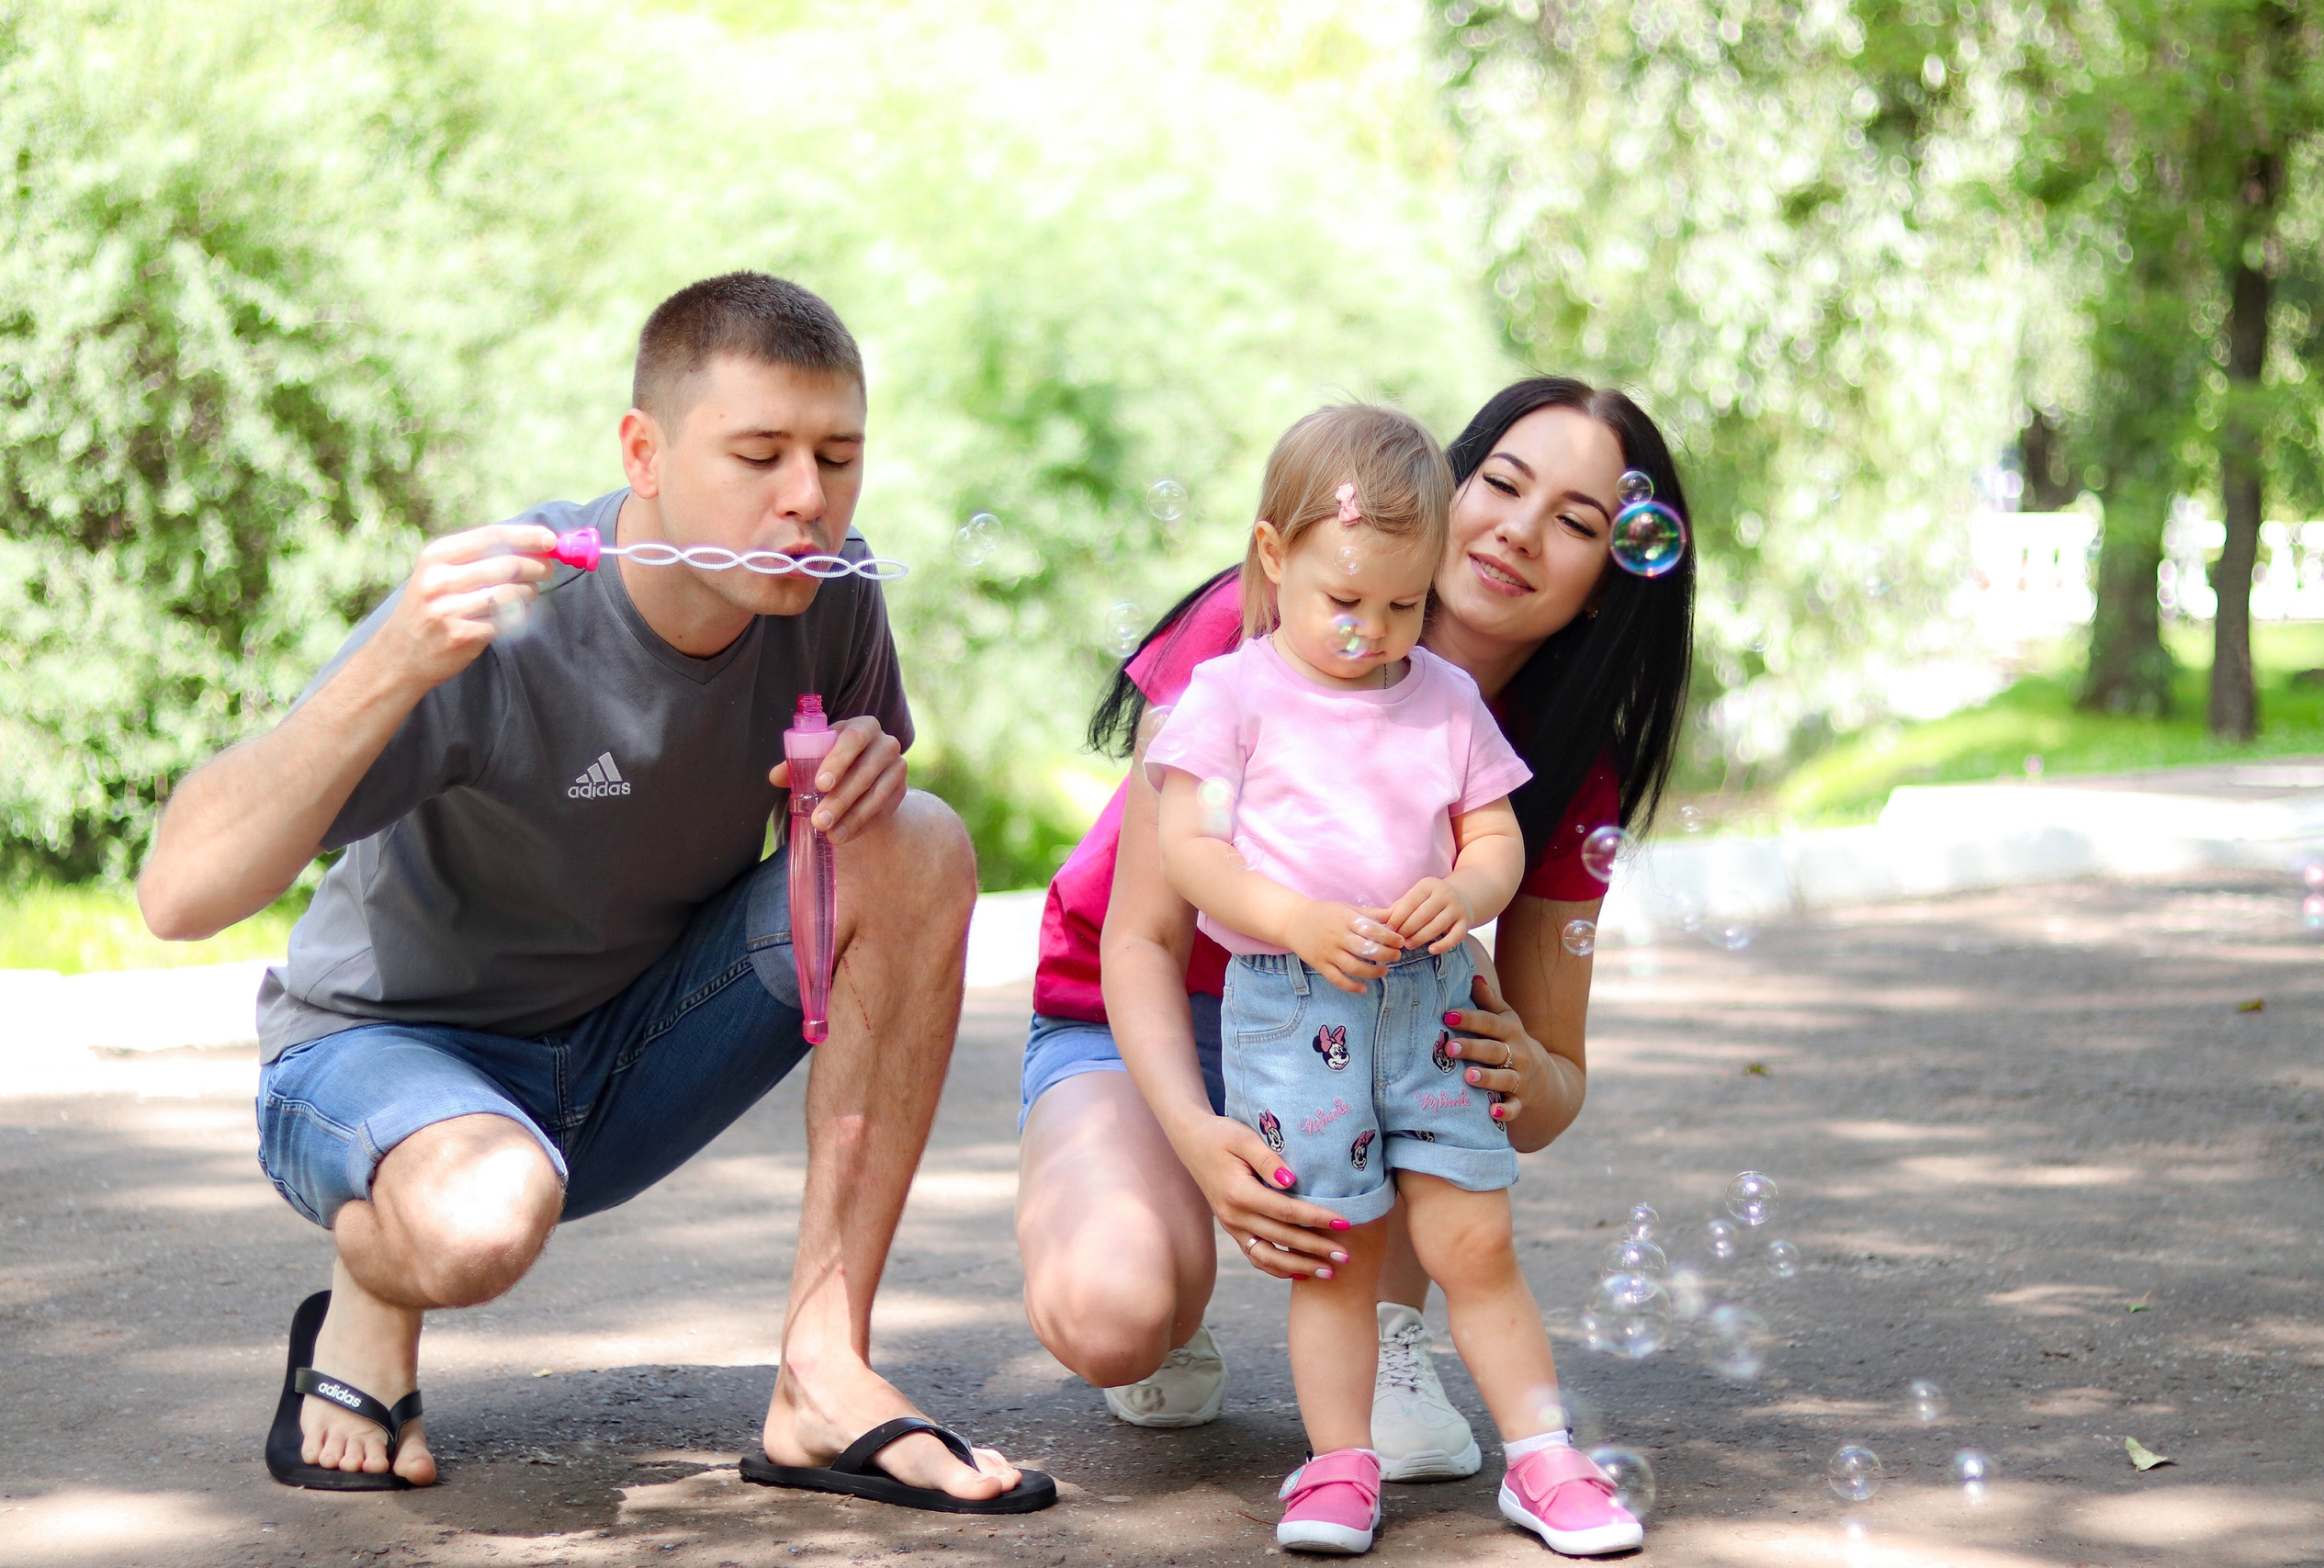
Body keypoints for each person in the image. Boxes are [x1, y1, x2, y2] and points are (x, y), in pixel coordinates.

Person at [136, 271, 1053, 1515]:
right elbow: (177, 890)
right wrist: (394, 661)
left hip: (628, 1059)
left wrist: (866, 770)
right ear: (646, 451)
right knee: (479, 1220)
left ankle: (822, 1370)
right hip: (385, 1058)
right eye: (761, 453)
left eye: (839, 455)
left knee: (919, 835)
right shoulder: (505, 617)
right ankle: (374, 1283)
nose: (808, 498)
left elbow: (869, 883)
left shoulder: (828, 592)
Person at [1012, 379, 1693, 1505]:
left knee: (1437, 1016)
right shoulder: (1253, 634)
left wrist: (1513, 1063)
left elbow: (1554, 1091)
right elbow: (1138, 938)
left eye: (1577, 523)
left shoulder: (1556, 769)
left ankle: (1386, 1331)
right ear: (1442, 488)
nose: (1520, 531)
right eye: (1503, 484)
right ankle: (1173, 1276)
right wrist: (1192, 1135)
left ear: (1601, 591)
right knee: (1116, 1314)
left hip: (1376, 1042)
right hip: (1145, 1017)